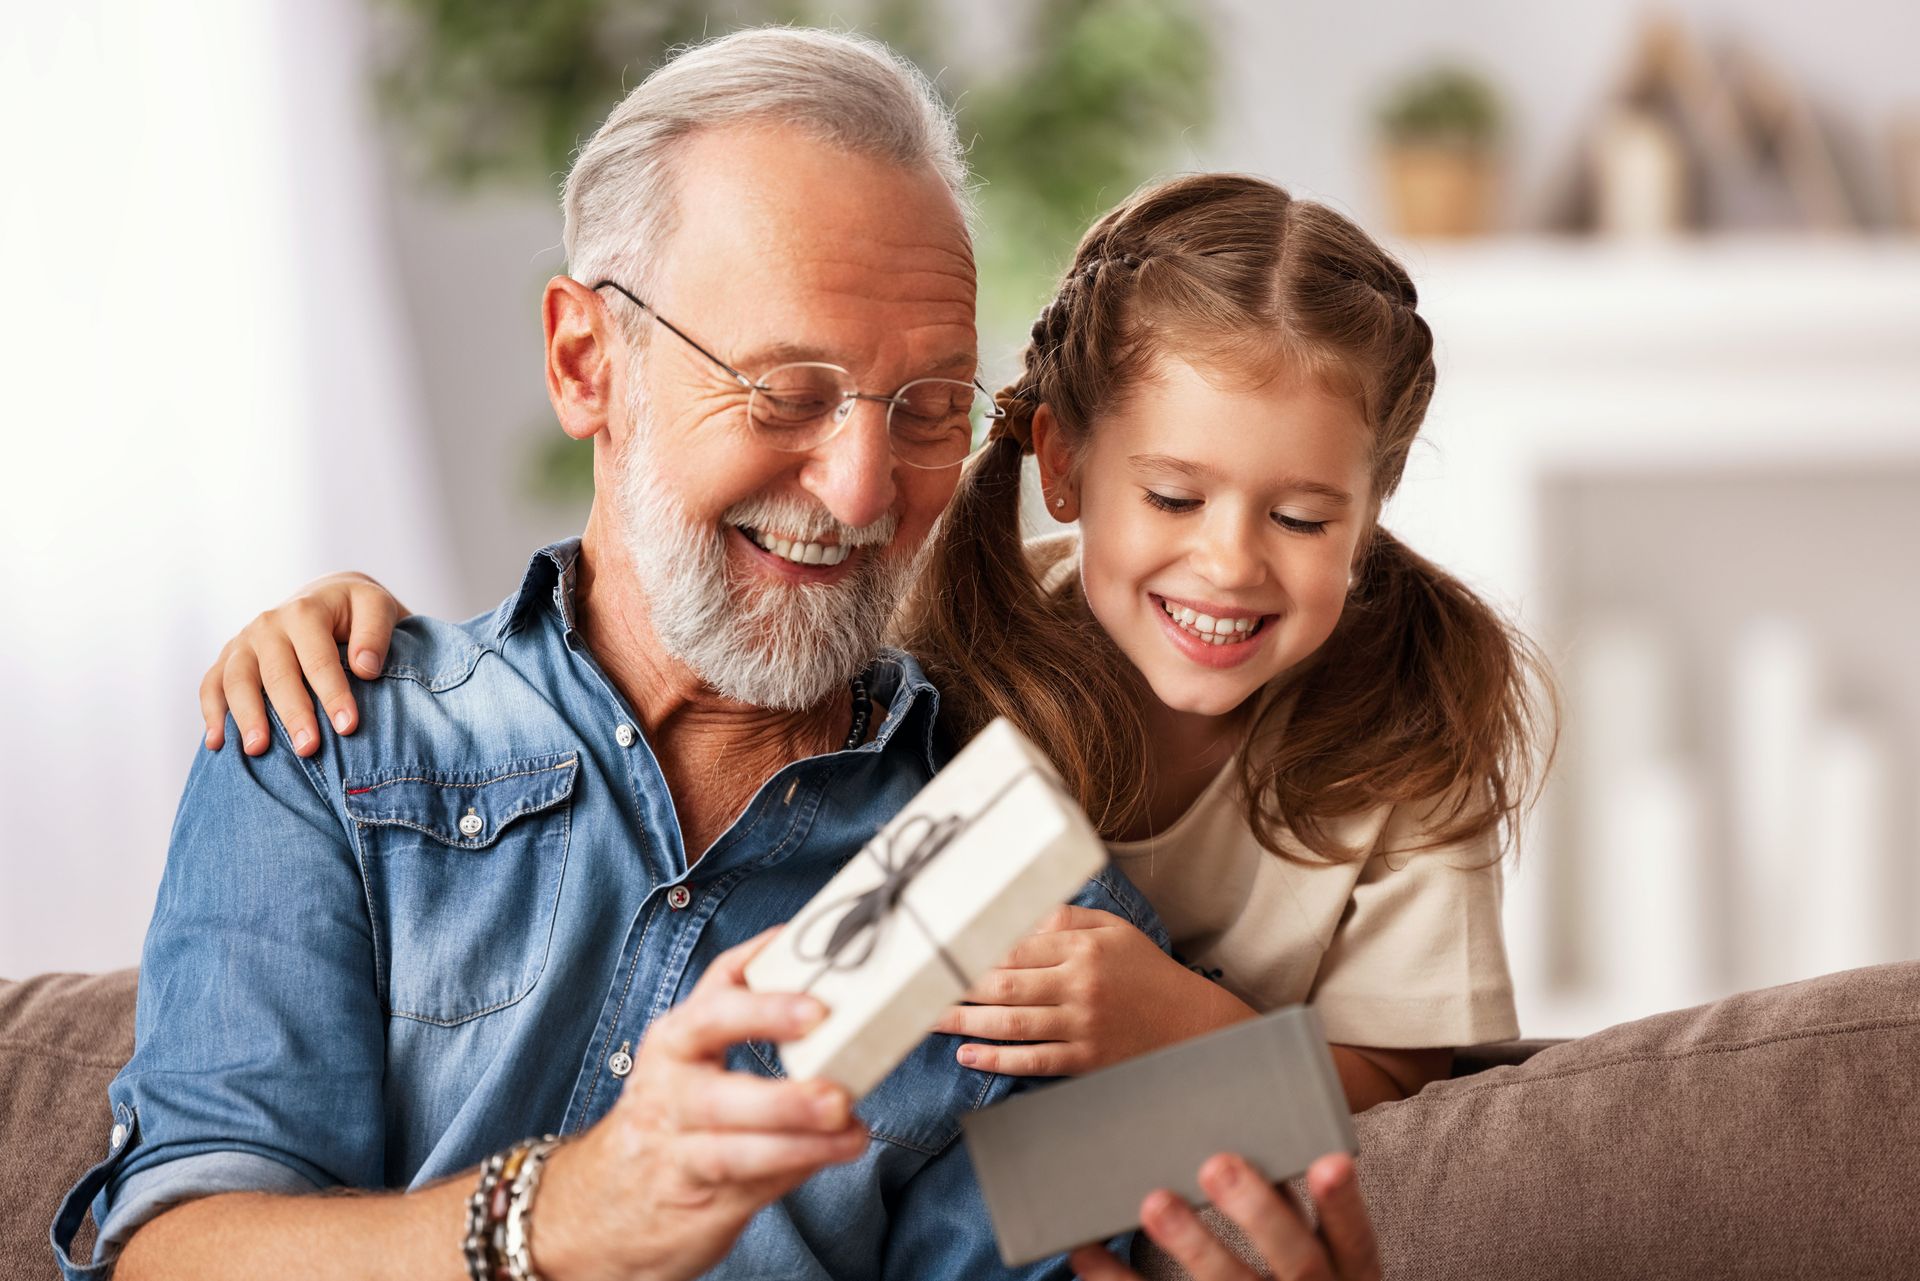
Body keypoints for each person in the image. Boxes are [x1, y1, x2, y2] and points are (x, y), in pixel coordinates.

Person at [52, 27, 1188, 1281]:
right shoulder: (326, 739)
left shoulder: (1008, 883)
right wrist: (565, 1215)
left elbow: (1231, 1158)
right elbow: (174, 1253)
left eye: (925, 408)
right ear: (588, 363)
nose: (864, 489)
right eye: (786, 392)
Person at [210, 173, 1551, 1116]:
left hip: (1120, 1153)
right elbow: (642, 689)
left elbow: (1398, 1090)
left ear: (1374, 508)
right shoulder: (940, 639)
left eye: (1307, 516)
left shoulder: (1411, 720)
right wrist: (346, 620)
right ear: (1065, 467)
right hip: (893, 1131)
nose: (1231, 564)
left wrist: (1181, 1029)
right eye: (1175, 498)